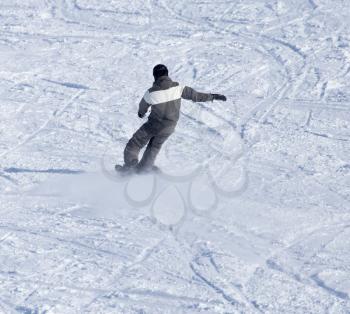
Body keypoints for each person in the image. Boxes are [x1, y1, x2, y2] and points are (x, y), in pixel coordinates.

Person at [116, 64, 227, 173]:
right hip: (169, 127)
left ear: (155, 76)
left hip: (154, 124)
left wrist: (141, 113)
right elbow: (196, 96)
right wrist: (213, 96)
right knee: (153, 147)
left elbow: (142, 107)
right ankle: (144, 170)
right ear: (167, 74)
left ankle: (130, 165)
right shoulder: (178, 88)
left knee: (135, 142)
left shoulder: (151, 92)